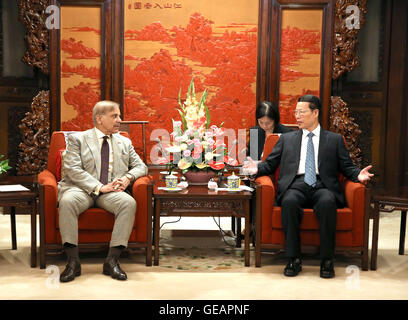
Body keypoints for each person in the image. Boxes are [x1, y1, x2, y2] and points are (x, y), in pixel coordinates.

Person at [244, 95, 373, 278]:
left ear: (315, 113)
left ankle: (327, 260)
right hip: (296, 184)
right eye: (296, 112)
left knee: (328, 203)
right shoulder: (287, 139)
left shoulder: (334, 140)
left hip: (323, 185)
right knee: (288, 202)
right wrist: (257, 167)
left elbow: (347, 167)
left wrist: (358, 174)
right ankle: (293, 259)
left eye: (302, 112)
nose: (297, 116)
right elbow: (270, 164)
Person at [57, 100, 148, 282]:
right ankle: (73, 262)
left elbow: (141, 167)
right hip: (82, 189)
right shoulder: (78, 139)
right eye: (114, 116)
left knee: (128, 203)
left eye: (119, 116)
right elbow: (73, 169)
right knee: (67, 202)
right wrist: (98, 187)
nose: (119, 120)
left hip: (111, 191)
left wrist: (127, 178)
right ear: (99, 119)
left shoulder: (124, 141)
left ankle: (112, 261)